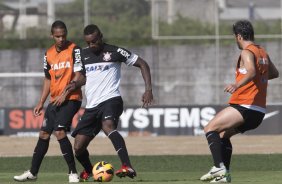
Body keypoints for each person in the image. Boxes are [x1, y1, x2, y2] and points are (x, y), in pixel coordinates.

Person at [70, 24, 153, 181]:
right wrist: (75, 84)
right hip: (92, 106)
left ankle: (127, 165)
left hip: (111, 99)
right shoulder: (81, 54)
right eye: (88, 43)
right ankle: (89, 171)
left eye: (94, 41)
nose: (91, 45)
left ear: (100, 36)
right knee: (78, 147)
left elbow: (143, 64)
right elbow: (82, 77)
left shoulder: (116, 51)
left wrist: (148, 89)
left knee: (108, 126)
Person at [200, 20, 279, 183]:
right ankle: (225, 175)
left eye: (235, 37)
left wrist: (237, 84)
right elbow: (274, 73)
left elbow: (250, 71)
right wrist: (259, 77)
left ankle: (219, 168)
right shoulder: (262, 52)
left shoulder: (247, 52)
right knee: (223, 135)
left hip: (245, 105)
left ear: (239, 36)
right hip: (258, 111)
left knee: (210, 128)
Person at [14, 20, 85, 183]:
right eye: (58, 36)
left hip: (72, 99)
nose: (61, 39)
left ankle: (73, 173)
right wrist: (41, 102)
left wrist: (66, 93)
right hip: (54, 101)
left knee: (59, 131)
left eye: (64, 35)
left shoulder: (75, 50)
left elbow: (79, 74)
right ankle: (32, 173)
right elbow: (47, 79)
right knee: (44, 133)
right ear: (52, 36)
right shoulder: (48, 54)